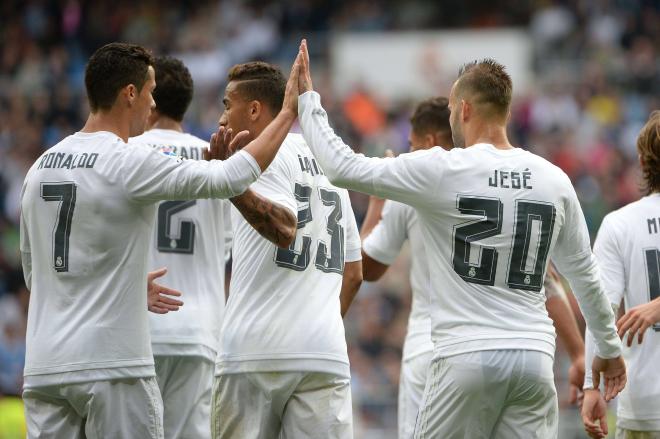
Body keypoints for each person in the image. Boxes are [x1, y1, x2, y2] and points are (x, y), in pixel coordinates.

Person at [294, 40, 625, 438]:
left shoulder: (443, 169)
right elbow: (584, 276)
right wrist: (608, 348)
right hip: (535, 361)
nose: (450, 113)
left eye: (451, 107)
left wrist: (308, 100)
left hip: (465, 356)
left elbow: (341, 167)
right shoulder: (553, 179)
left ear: (465, 109)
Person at [19, 42, 301, 438]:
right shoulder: (126, 160)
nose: (153, 105)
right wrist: (287, 113)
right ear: (129, 94)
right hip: (113, 366)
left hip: (45, 368)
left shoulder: (39, 167)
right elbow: (228, 177)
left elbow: (37, 274)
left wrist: (122, 288)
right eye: (150, 93)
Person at [361, 98, 586, 438]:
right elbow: (546, 281)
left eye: (412, 145)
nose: (409, 153)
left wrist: (377, 202)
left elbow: (367, 267)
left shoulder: (412, 187)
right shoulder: (504, 186)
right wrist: (578, 352)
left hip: (436, 350)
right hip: (514, 350)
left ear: (431, 142)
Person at [212, 61, 363, 439]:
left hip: (255, 352)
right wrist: (319, 321)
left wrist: (230, 185)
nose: (221, 117)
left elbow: (283, 228)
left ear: (254, 110)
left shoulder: (253, 154)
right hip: (324, 352)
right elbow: (354, 272)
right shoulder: (329, 162)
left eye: (227, 105)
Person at [129, 55, 230, 439]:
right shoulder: (216, 161)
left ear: (149, 99)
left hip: (139, 326)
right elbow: (225, 247)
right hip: (199, 328)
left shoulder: (128, 154)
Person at [582, 111, 660, 439]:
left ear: (641, 162)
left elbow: (600, 310)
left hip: (644, 400)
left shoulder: (620, 224)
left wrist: (591, 385)